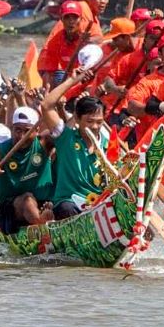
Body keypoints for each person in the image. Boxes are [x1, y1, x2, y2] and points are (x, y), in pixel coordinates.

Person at [0, 106, 55, 234]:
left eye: (27, 131)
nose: (21, 136)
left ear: (37, 130)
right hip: (12, 209)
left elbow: (64, 132)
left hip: (45, 201)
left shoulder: (44, 143)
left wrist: (60, 108)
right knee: (27, 200)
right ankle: (42, 225)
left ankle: (44, 219)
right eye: (17, 130)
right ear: (11, 129)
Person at [40, 68, 108, 220]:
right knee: (67, 208)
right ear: (77, 119)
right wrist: (73, 80)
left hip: (99, 204)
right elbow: (46, 106)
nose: (95, 127)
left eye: (99, 122)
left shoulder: (108, 144)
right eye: (89, 121)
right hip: (69, 204)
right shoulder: (66, 138)